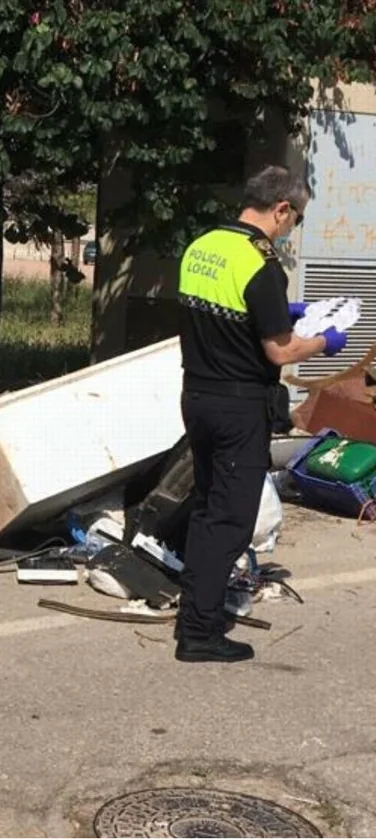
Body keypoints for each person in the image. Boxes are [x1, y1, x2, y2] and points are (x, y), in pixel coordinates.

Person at [175, 165, 347, 663]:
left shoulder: (202, 245)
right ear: (281, 209)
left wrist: (281, 312)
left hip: (198, 397)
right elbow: (279, 351)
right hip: (237, 406)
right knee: (228, 519)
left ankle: (195, 608)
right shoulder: (261, 261)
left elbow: (223, 315)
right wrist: (323, 341)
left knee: (208, 504)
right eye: (297, 217)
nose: (292, 228)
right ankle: (199, 633)